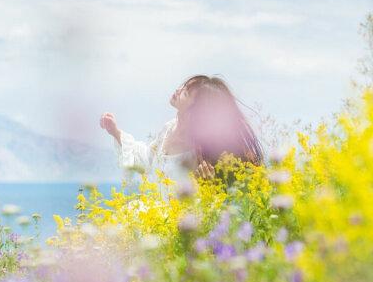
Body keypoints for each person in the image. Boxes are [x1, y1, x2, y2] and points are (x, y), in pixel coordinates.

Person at [100, 75, 264, 198]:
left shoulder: (200, 150)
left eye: (186, 92)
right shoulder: (169, 128)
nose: (178, 90)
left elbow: (213, 203)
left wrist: (207, 186)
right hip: (155, 219)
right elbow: (148, 160)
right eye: (183, 86)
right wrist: (116, 132)